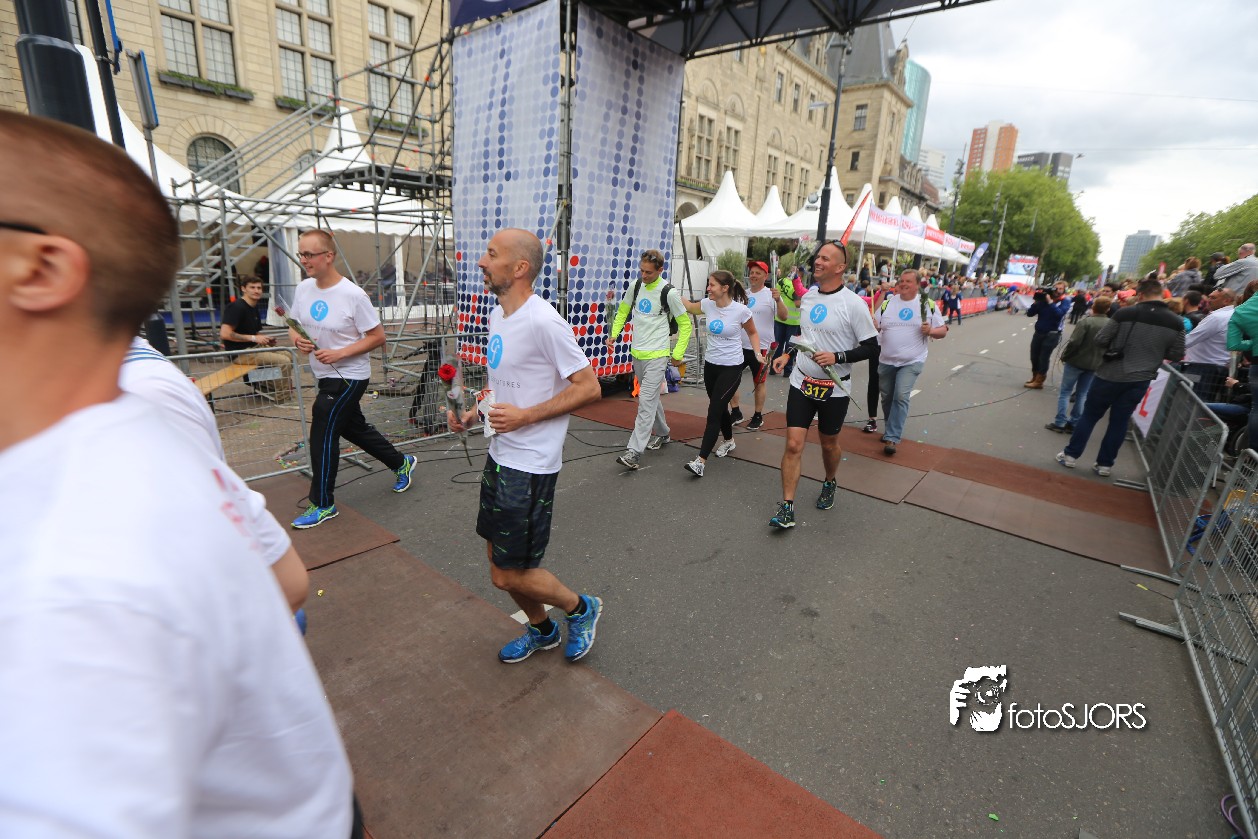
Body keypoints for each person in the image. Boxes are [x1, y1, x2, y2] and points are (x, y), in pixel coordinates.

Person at [0, 111, 354, 837]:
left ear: (39, 269)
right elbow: (286, 579)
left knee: (337, 437)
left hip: (305, 811)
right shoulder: (149, 436)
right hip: (316, 805)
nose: (306, 259)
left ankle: (352, 480)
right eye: (303, 252)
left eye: (315, 251)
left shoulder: (63, 573)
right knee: (332, 438)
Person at [449, 228, 603, 664]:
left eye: (491, 254)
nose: (481, 262)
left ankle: (581, 608)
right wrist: (474, 413)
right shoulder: (498, 315)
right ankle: (543, 630)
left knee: (506, 574)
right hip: (499, 455)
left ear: (519, 268)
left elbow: (589, 387)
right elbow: (503, 385)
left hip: (531, 465)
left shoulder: (544, 321)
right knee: (496, 559)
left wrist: (526, 417)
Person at [122, 337, 310, 612]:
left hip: (198, 570)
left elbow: (209, 491)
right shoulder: (146, 383)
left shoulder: (145, 383)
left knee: (285, 360)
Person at [288, 228, 417, 529]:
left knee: (323, 428)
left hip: (349, 376)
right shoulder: (303, 289)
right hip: (323, 374)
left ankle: (323, 503)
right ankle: (401, 463)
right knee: (352, 428)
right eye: (301, 254)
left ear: (328, 256)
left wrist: (340, 353)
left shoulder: (353, 295)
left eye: (309, 254)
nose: (304, 260)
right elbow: (293, 324)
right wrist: (297, 340)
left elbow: (378, 337)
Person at [768, 241, 880, 529]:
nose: (818, 261)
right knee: (794, 443)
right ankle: (787, 507)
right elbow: (803, 332)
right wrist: (787, 353)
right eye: (818, 257)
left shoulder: (854, 304)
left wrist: (838, 356)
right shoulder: (809, 297)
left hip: (834, 387)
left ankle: (830, 480)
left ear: (840, 267)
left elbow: (872, 347)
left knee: (829, 444)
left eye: (825, 259)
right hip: (802, 381)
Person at [1056, 278, 1185, 477]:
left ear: (1140, 294)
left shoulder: (1126, 313)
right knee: (1120, 421)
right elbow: (1177, 354)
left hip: (1110, 373)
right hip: (1141, 378)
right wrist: (1154, 352)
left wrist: (1118, 345)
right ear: (1161, 294)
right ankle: (1105, 464)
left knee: (1090, 415)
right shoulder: (1176, 321)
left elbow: (1101, 339)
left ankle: (1071, 455)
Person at [606, 249, 693, 470]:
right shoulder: (636, 286)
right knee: (650, 398)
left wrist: (677, 353)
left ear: (660, 270)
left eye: (649, 272)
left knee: (645, 400)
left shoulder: (669, 293)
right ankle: (663, 433)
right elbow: (623, 310)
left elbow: (685, 325)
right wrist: (614, 334)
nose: (644, 276)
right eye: (642, 271)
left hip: (658, 355)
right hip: (638, 353)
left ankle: (634, 452)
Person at [677, 270, 764, 477]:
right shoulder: (708, 304)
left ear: (725, 288)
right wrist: (671, 291)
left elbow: (752, 332)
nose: (708, 288)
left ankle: (700, 461)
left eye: (712, 285)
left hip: (731, 367)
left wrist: (758, 353)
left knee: (714, 411)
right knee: (720, 407)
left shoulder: (741, 311)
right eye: (708, 284)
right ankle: (729, 440)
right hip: (711, 366)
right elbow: (689, 306)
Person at [873, 270, 948, 455]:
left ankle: (892, 437)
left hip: (912, 360)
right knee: (887, 397)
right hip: (886, 360)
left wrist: (931, 331)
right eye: (902, 280)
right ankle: (890, 428)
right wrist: (873, 325)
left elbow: (943, 330)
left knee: (900, 395)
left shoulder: (927, 304)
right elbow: (875, 325)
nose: (904, 284)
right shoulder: (888, 303)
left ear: (917, 285)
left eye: (908, 281)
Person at [220, 275, 295, 400]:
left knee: (291, 355)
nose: (256, 291)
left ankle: (259, 381)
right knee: (283, 361)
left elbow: (254, 333)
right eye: (252, 287)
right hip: (240, 353)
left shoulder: (253, 307)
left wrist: (265, 339)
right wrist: (254, 338)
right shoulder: (236, 307)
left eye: (259, 288)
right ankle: (283, 398)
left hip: (254, 348)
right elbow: (225, 334)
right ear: (243, 289)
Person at [1046, 297, 1111, 433]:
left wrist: (1065, 356)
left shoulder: (1086, 322)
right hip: (1095, 363)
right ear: (1108, 309)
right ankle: (1074, 422)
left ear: (1093, 307)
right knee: (1082, 394)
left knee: (1065, 392)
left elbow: (1074, 342)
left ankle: (1060, 422)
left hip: (1076, 361)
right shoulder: (1111, 324)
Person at [728, 260, 776, 430]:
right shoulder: (744, 294)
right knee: (730, 379)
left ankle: (757, 415)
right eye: (752, 272)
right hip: (739, 345)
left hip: (762, 347)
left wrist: (779, 301)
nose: (753, 275)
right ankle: (736, 412)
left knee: (759, 382)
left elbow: (784, 316)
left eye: (758, 273)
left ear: (766, 276)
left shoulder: (771, 295)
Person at [1182, 287, 1236, 402]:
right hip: (1217, 367)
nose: (1208, 300)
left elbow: (1189, 340)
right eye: (1209, 297)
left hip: (1202, 368)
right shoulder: (1233, 315)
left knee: (1191, 402)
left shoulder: (1217, 317)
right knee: (1204, 403)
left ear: (1226, 301)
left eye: (1213, 298)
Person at [1024, 287, 1072, 388]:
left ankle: (1039, 381)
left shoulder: (1064, 302)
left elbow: (1059, 314)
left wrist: (1050, 302)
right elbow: (1029, 314)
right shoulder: (1042, 302)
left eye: (1060, 289)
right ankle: (1035, 376)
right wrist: (1036, 302)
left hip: (1052, 334)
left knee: (1043, 357)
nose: (1057, 291)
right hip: (1039, 333)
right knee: (1034, 357)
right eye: (1056, 289)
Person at [771, 262, 805, 376]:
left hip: (779, 318)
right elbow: (797, 304)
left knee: (777, 344)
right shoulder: (797, 287)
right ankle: (787, 370)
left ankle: (773, 368)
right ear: (799, 273)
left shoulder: (780, 282)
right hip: (793, 321)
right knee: (790, 347)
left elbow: (775, 296)